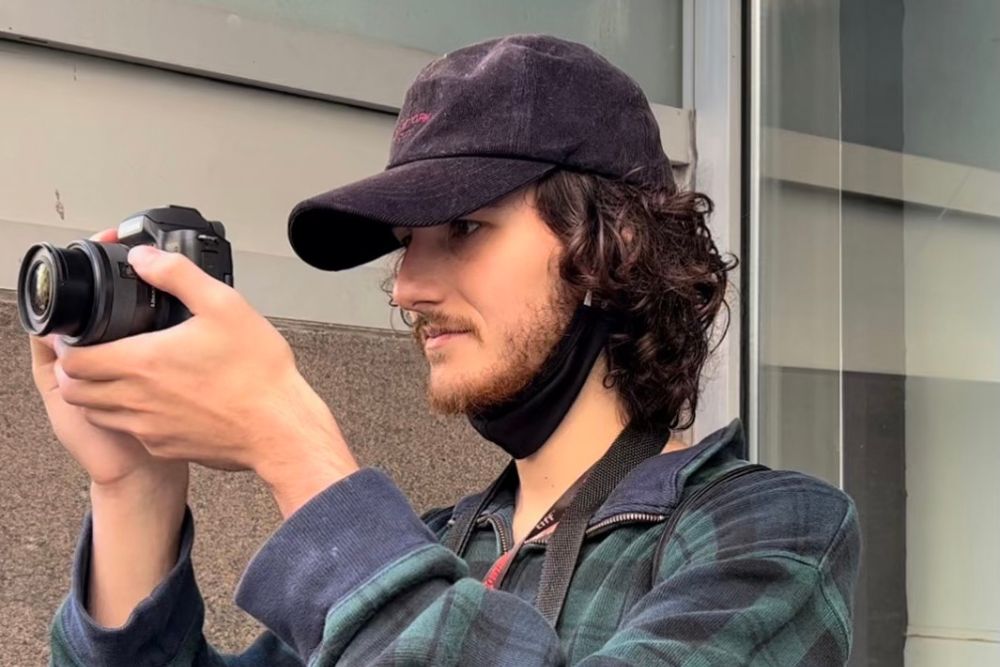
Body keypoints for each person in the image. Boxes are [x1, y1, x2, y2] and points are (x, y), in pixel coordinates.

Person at [33, 34, 859, 666]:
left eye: (464, 228)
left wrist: (294, 441)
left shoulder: (771, 533)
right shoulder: (432, 552)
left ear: (615, 247)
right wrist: (133, 481)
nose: (405, 287)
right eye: (405, 241)